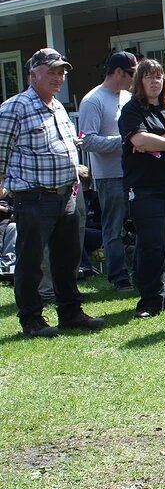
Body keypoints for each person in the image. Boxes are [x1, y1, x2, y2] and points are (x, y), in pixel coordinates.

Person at [0, 49, 105, 338]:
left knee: (67, 260)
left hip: (66, 194)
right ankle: (32, 320)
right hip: (33, 198)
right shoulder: (14, 107)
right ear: (32, 74)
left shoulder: (57, 106)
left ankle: (71, 313)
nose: (58, 78)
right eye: (51, 72)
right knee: (31, 262)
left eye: (61, 72)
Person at [118, 58, 165, 318]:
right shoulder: (131, 110)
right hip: (146, 186)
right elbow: (140, 140)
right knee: (152, 243)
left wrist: (155, 142)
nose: (155, 81)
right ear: (139, 81)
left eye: (159, 76)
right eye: (149, 76)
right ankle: (150, 301)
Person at [79, 51, 137, 291]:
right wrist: (125, 141)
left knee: (140, 224)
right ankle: (118, 275)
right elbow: (87, 141)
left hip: (134, 172)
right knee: (114, 227)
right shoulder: (93, 100)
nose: (134, 79)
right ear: (118, 72)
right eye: (131, 73)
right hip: (109, 175)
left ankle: (140, 271)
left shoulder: (128, 97)